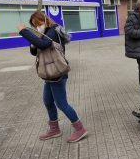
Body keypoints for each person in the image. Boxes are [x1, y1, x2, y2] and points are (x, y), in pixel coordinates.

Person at [16, 11, 87, 143]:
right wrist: (33, 40)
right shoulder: (43, 34)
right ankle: (54, 129)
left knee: (62, 104)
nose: (37, 27)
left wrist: (24, 31)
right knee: (48, 101)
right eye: (34, 25)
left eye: (37, 24)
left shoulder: (53, 31)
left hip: (57, 73)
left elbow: (44, 44)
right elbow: (34, 51)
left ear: (44, 21)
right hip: (49, 73)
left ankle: (80, 129)